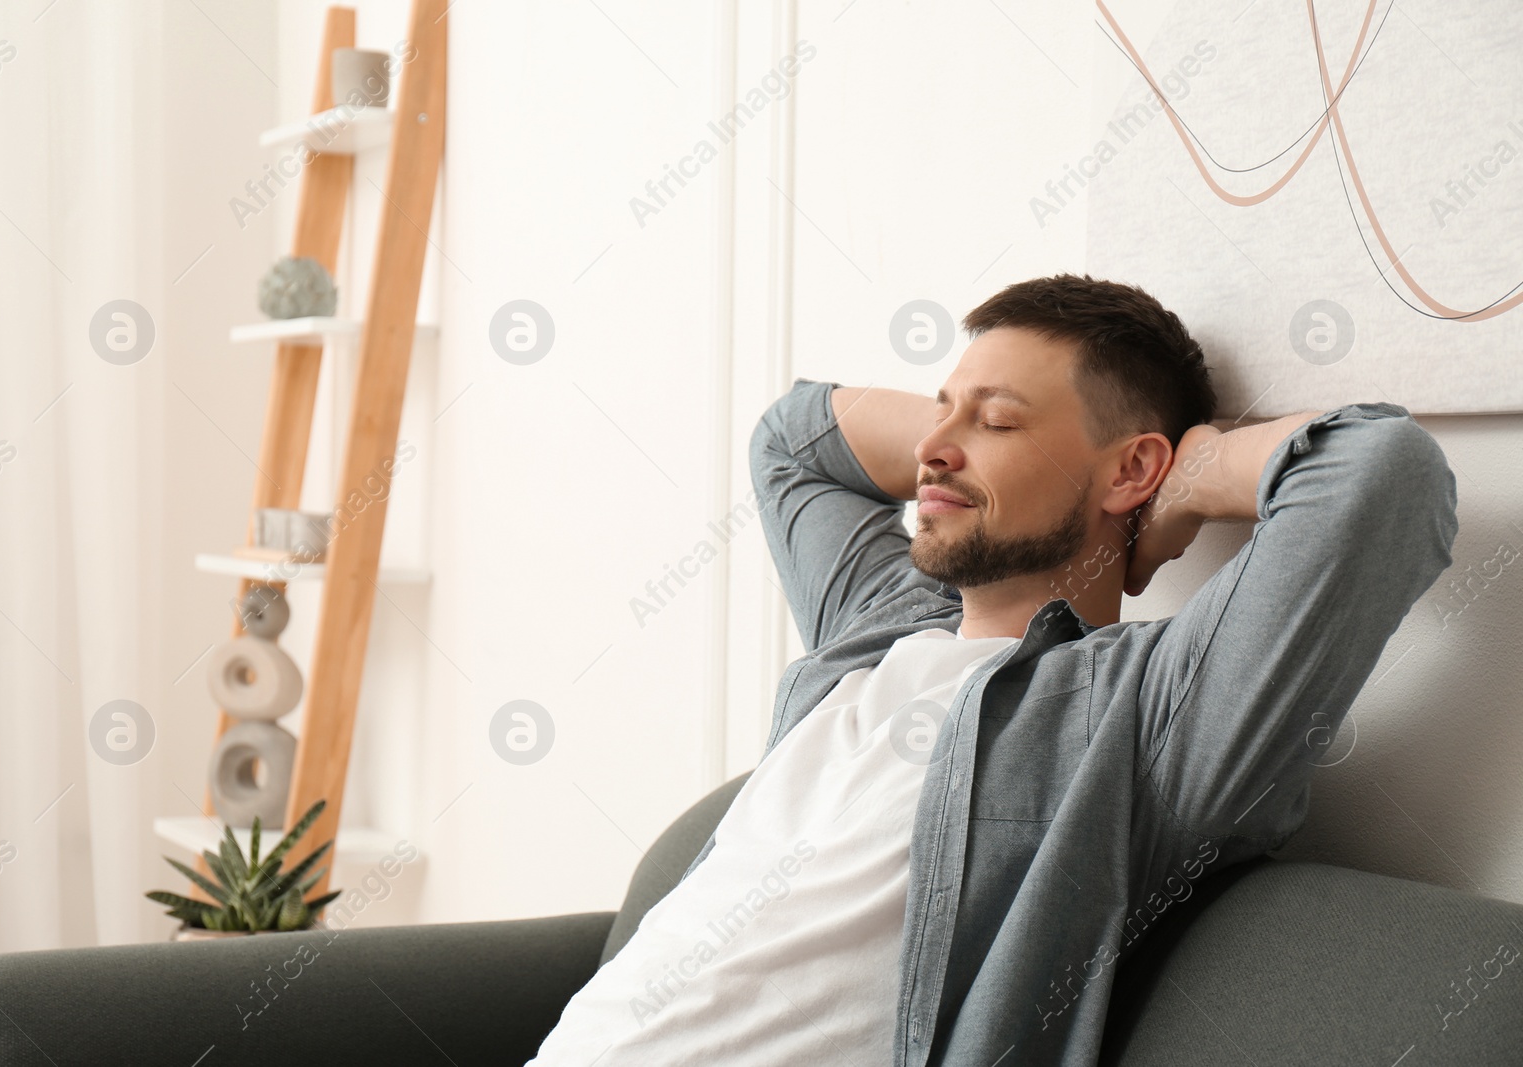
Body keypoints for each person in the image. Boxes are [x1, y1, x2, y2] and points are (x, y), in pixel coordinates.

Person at [528, 273, 1458, 1065]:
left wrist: (1187, 471)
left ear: (1130, 469)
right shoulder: (877, 623)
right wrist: (967, 431)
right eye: (942, 408)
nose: (934, 448)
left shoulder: (1147, 712)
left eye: (998, 419)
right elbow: (792, 440)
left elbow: (1382, 472)